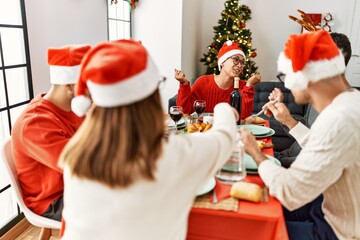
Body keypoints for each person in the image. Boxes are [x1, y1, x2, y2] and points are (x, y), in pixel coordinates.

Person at [59, 39, 238, 239]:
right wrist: (225, 109)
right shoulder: (173, 155)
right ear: (150, 97)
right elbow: (225, 137)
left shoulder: (75, 157)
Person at [240, 30, 360, 239]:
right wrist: (287, 120)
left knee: (249, 229)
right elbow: (322, 147)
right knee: (254, 208)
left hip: (339, 231)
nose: (285, 84)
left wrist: (255, 153)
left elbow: (288, 192)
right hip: (324, 206)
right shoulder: (349, 102)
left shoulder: (338, 118)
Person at [11, 44, 91, 221]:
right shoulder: (35, 122)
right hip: (54, 201)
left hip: (77, 185)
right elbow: (82, 165)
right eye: (89, 85)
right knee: (125, 207)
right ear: (70, 85)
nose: (93, 92)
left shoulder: (74, 108)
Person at [274, 32, 353, 168]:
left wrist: (270, 162)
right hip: (284, 156)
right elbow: (305, 126)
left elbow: (323, 156)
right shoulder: (322, 95)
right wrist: (284, 116)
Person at [175, 40, 261, 119]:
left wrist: (249, 85)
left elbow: (243, 118)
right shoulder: (203, 82)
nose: (239, 65)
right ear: (222, 62)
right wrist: (184, 83)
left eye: (242, 62)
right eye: (236, 59)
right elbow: (185, 111)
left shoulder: (243, 86)